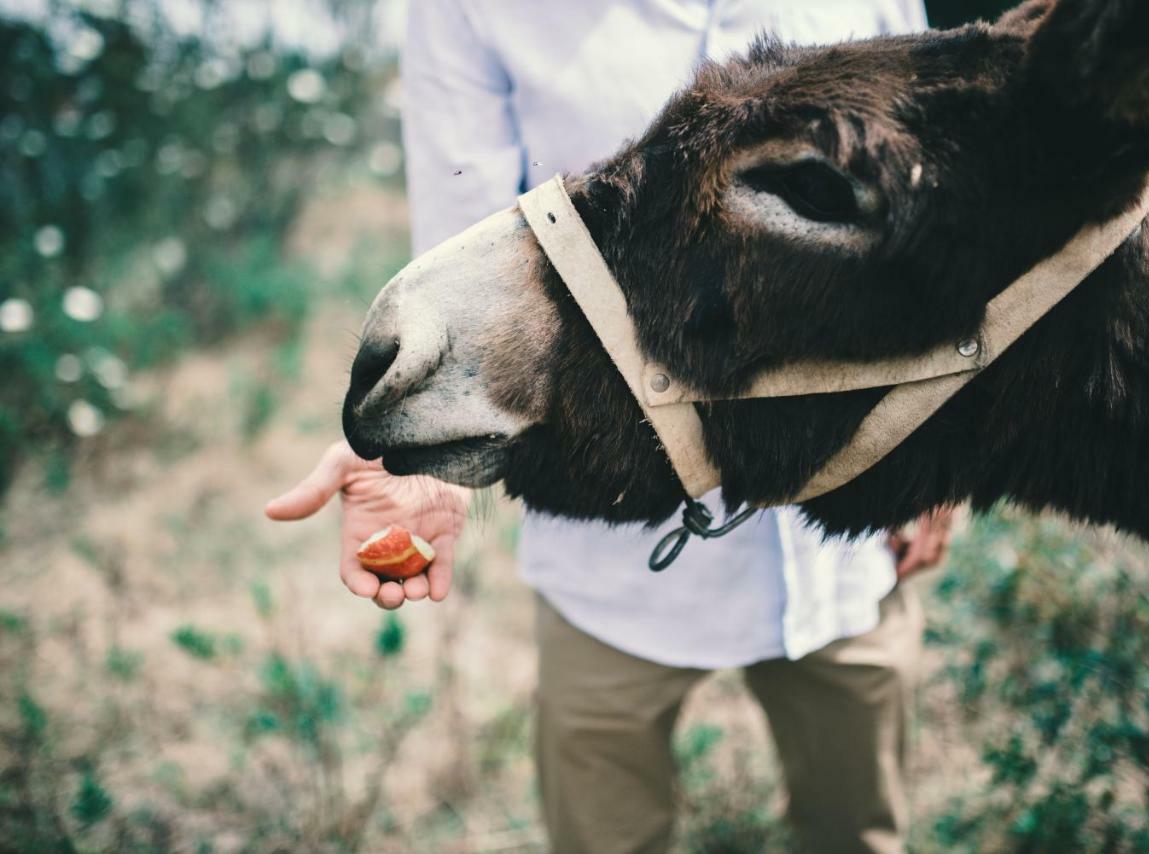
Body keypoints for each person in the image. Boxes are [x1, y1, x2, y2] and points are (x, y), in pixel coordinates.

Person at [267, 2, 953, 851]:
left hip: (841, 531)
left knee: (859, 835)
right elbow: (464, 257)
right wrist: (417, 465)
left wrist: (927, 465)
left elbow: (919, 233)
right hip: (612, 549)